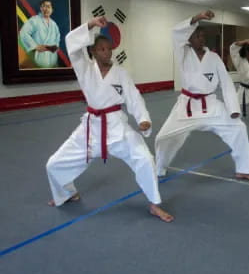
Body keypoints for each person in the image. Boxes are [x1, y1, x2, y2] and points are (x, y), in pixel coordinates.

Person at [45, 16, 173, 222]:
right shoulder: (84, 68)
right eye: (102, 49)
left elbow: (134, 97)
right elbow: (71, 43)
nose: (107, 52)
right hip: (90, 129)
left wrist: (143, 119)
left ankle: (154, 204)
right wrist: (91, 24)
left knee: (145, 159)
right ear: (93, 52)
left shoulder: (121, 74)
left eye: (109, 48)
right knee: (54, 164)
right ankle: (67, 193)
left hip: (117, 128)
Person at [155, 10, 249, 182]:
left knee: (238, 128)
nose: (201, 39)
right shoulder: (183, 53)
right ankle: (159, 167)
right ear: (189, 38)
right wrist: (196, 18)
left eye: (203, 36)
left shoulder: (214, 57)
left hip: (211, 105)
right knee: (163, 137)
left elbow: (226, 82)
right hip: (186, 107)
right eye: (197, 36)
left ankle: (244, 169)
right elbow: (175, 32)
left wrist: (233, 108)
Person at [19, 0, 61, 68]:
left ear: (52, 9)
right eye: (43, 6)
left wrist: (55, 46)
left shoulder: (54, 24)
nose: (45, 9)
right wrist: (35, 46)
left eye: (48, 6)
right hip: (40, 57)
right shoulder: (34, 20)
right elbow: (23, 33)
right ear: (40, 8)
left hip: (53, 57)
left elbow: (57, 37)